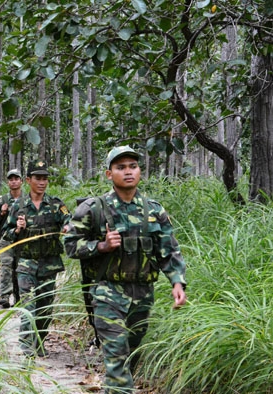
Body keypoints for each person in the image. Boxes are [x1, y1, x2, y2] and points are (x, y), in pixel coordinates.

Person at [64, 146, 187, 393]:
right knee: (117, 357)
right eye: (121, 167)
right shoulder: (93, 208)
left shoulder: (153, 210)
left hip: (142, 294)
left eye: (133, 166)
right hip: (107, 293)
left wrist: (177, 282)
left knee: (131, 354)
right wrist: (101, 246)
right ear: (109, 174)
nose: (128, 172)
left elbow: (168, 249)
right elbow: (70, 245)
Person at [3, 160, 72, 357]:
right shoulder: (18, 206)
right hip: (25, 263)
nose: (41, 183)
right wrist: (17, 228)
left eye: (45, 179)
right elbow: (6, 235)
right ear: (28, 180)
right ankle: (26, 347)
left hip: (49, 264)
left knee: (45, 308)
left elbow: (69, 219)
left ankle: (39, 342)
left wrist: (67, 227)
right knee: (28, 306)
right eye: (37, 178)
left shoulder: (56, 204)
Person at [0, 168, 24, 308]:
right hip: (6, 238)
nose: (14, 182)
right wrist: (2, 212)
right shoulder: (2, 200)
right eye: (11, 179)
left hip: (22, 238)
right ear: (8, 182)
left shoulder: (27, 199)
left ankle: (19, 297)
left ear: (21, 181)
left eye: (16, 179)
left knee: (20, 267)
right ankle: (5, 296)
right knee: (6, 266)